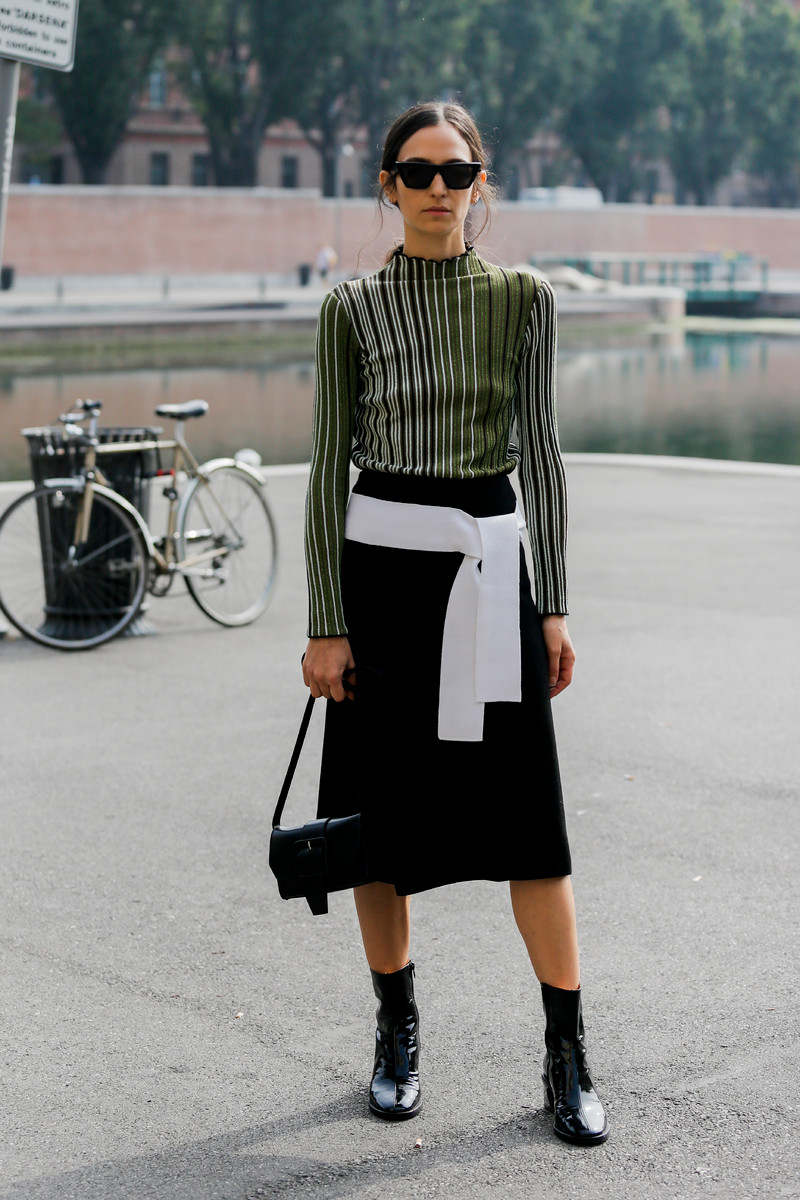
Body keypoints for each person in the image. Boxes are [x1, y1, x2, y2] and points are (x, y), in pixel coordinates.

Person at [302, 101, 608, 1145]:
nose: (439, 188)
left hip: (490, 573)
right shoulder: (349, 308)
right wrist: (325, 621)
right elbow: (325, 470)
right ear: (386, 184)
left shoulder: (524, 298)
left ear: (481, 183)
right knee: (377, 824)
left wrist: (553, 602)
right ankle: (395, 1028)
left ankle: (566, 1049)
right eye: (419, 170)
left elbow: (544, 455)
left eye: (457, 171)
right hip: (380, 583)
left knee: (530, 825)